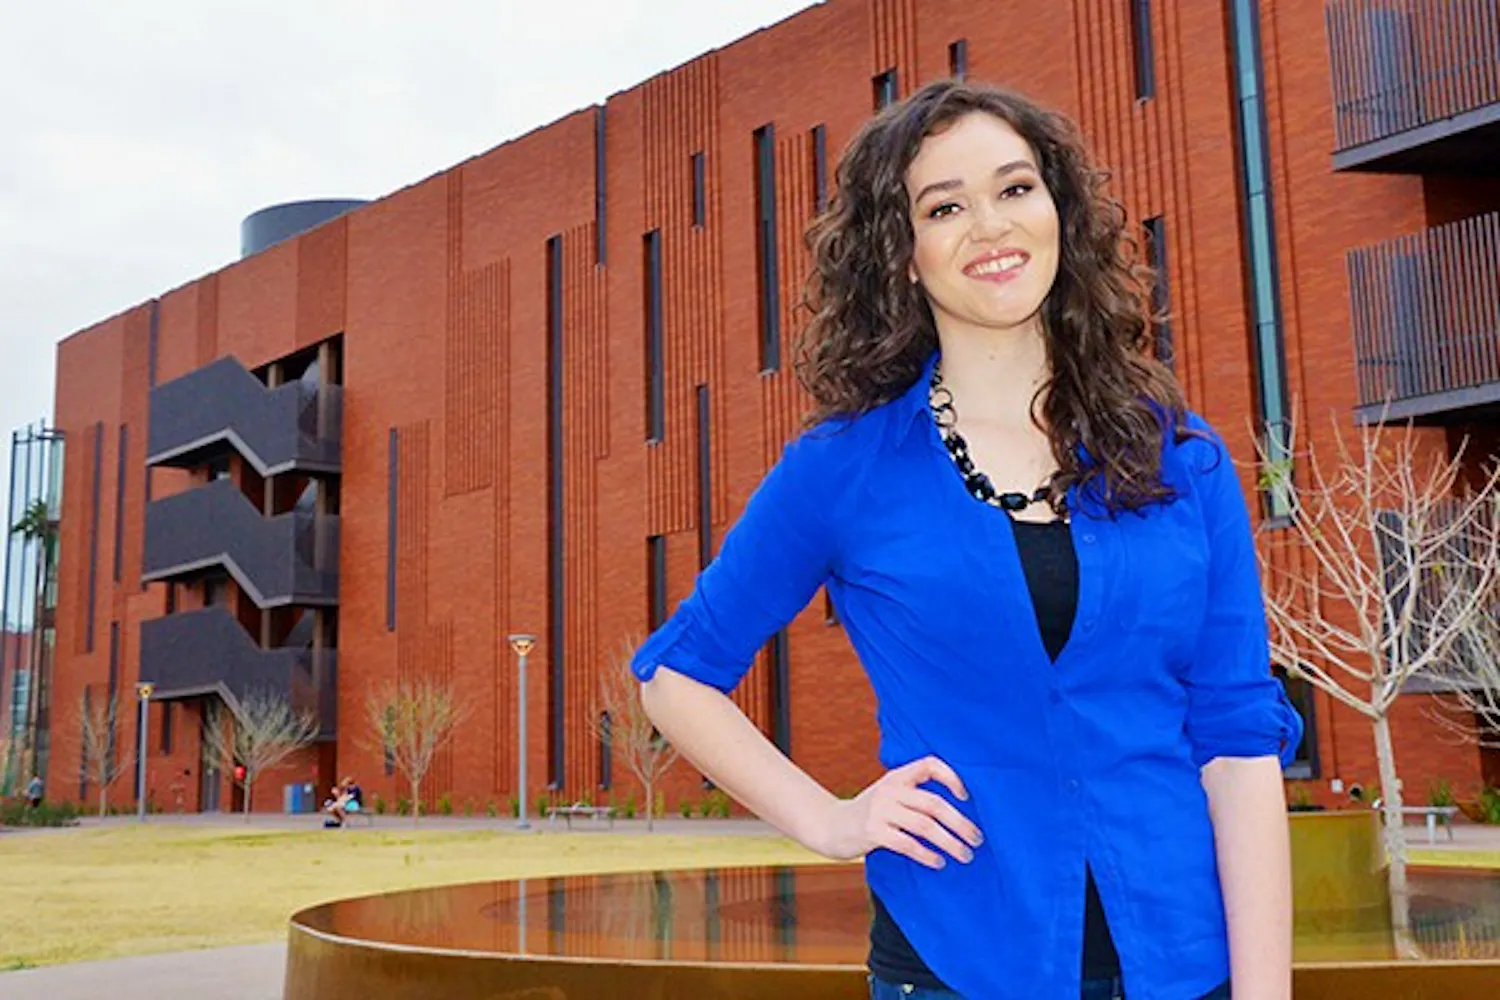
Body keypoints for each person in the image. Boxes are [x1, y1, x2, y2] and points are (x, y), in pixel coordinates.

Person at [633, 80, 1302, 1000]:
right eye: (945, 207)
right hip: (954, 964)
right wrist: (830, 820)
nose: (991, 227)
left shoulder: (1186, 462)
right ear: (904, 254)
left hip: (1187, 966)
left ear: (1058, 214)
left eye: (1015, 189)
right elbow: (676, 674)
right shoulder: (845, 469)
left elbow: (1237, 740)